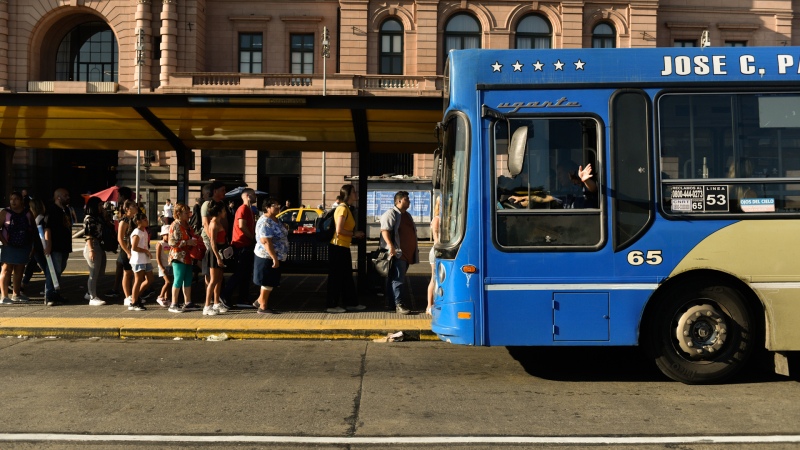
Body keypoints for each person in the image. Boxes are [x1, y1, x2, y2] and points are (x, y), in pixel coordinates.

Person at [326, 184, 366, 313]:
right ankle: (332, 305)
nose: (356, 194)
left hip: (343, 246)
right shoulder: (342, 209)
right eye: (354, 192)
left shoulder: (347, 209)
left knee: (346, 276)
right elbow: (339, 230)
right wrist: (355, 234)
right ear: (348, 195)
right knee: (337, 277)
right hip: (338, 247)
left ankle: (351, 303)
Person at [379, 191, 418, 314]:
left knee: (394, 279)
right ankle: (399, 304)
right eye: (407, 199)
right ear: (399, 200)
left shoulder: (407, 215)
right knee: (398, 279)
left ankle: (391, 303)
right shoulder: (391, 214)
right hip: (398, 253)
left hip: (406, 254)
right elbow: (385, 230)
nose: (409, 201)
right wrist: (391, 246)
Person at [220, 188, 256, 309]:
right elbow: (242, 225)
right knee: (240, 273)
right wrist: (252, 237)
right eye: (253, 194)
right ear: (247, 196)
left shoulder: (249, 209)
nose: (255, 196)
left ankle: (242, 298)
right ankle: (225, 294)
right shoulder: (243, 209)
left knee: (245, 273)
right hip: (241, 244)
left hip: (244, 244)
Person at [508, 162, 597, 209]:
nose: (558, 176)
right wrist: (524, 198)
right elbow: (547, 197)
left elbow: (592, 189)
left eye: (560, 173)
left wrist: (586, 180)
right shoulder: (564, 190)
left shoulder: (579, 186)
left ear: (569, 173)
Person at [252, 199, 288, 314]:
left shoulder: (276, 219)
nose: (278, 207)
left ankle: (259, 301)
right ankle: (262, 306)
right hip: (267, 256)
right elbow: (266, 241)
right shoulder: (265, 221)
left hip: (277, 255)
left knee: (271, 281)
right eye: (274, 205)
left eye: (278, 205)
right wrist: (274, 258)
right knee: (267, 281)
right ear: (267, 207)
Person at [0, 192, 35, 304]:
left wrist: (31, 244)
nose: (13, 201)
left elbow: (32, 228)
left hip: (23, 245)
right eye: (11, 199)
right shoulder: (5, 212)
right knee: (6, 269)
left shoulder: (27, 213)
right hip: (9, 245)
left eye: (16, 199)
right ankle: (4, 296)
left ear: (21, 200)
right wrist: (4, 242)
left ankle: (16, 294)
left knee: (19, 270)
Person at [24, 198, 59, 306]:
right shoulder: (41, 218)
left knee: (46, 269)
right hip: (39, 247)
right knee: (36, 266)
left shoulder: (38, 220)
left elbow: (40, 235)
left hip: (39, 248)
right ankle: (24, 283)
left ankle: (50, 290)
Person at [168, 203, 200, 313]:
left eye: (189, 212)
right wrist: (186, 242)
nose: (188, 215)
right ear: (178, 214)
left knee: (187, 279)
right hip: (178, 256)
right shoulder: (175, 225)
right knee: (178, 279)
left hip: (187, 255)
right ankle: (174, 303)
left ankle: (188, 302)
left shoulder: (187, 225)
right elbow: (171, 242)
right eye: (186, 213)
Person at [43, 188, 73, 301]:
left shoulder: (66, 210)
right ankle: (49, 294)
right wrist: (48, 244)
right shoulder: (52, 210)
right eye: (65, 195)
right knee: (53, 270)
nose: (68, 197)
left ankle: (56, 292)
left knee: (59, 269)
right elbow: (47, 228)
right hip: (55, 246)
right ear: (58, 197)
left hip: (64, 245)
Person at [203, 202, 228, 316]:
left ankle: (216, 303)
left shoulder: (218, 222)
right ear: (218, 212)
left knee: (219, 279)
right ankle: (207, 306)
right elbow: (212, 242)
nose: (225, 212)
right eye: (223, 210)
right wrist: (218, 257)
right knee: (213, 280)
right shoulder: (213, 224)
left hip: (221, 251)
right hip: (215, 253)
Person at [82, 196, 107, 306]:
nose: (102, 207)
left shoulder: (99, 217)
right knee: (93, 273)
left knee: (99, 272)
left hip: (100, 246)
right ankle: (92, 297)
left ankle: (89, 292)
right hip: (93, 245)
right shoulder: (89, 218)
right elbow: (88, 235)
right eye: (100, 205)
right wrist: (91, 249)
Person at [201, 180, 227, 284]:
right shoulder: (207, 204)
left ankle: (217, 293)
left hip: (220, 239)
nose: (224, 192)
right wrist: (213, 240)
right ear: (215, 191)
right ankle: (210, 294)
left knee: (219, 268)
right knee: (212, 267)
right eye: (222, 190)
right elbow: (205, 224)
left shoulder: (221, 203)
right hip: (210, 240)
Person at [128, 212, 152, 311]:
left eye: (146, 219)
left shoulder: (144, 231)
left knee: (150, 279)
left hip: (145, 259)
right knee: (138, 280)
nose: (147, 221)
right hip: (138, 259)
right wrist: (145, 251)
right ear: (138, 222)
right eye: (144, 219)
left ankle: (136, 296)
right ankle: (134, 302)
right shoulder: (136, 232)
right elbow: (134, 247)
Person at [117, 200, 138, 306]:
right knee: (127, 272)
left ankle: (134, 295)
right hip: (127, 249)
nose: (136, 207)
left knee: (135, 273)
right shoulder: (124, 220)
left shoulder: (134, 219)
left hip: (134, 249)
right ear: (127, 209)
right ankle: (127, 296)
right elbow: (120, 238)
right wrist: (127, 252)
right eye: (133, 206)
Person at [426, 195, 441, 315]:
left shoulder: (444, 218)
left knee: (437, 278)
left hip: (439, 250)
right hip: (436, 251)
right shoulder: (437, 219)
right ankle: (429, 306)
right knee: (434, 278)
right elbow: (436, 236)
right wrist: (439, 250)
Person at [155, 224, 172, 307]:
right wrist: (161, 267)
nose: (169, 236)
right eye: (167, 235)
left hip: (170, 265)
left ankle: (166, 298)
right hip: (163, 266)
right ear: (163, 235)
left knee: (169, 282)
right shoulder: (160, 244)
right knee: (168, 282)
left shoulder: (170, 244)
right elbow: (157, 257)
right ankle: (160, 296)